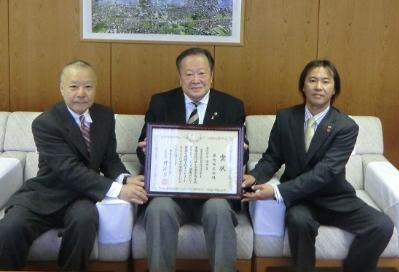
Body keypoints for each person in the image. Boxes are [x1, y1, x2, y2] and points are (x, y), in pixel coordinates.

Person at [242, 59, 394, 272]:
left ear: (334, 89)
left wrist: (277, 191)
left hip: (336, 197)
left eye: (325, 81)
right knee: (299, 222)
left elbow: (326, 172)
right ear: (303, 86)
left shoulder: (346, 126)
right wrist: (254, 176)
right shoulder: (286, 118)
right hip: (301, 200)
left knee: (382, 225)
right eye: (312, 80)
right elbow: (273, 157)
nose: (318, 87)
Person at [0, 60, 148, 271]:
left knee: (85, 220)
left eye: (88, 87)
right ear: (61, 89)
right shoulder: (46, 123)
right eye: (73, 86)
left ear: (95, 89)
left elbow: (109, 158)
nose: (81, 93)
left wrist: (124, 178)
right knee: (9, 228)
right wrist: (118, 190)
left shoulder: (104, 116)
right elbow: (69, 169)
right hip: (46, 193)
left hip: (81, 196)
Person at [137, 47, 249, 272]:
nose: (195, 80)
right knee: (158, 210)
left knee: (219, 210)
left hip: (213, 194)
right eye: (189, 74)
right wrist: (148, 150)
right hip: (171, 193)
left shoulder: (231, 105)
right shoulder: (161, 102)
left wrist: (241, 151)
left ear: (211, 76)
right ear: (180, 77)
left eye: (201, 73)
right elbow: (141, 148)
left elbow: (242, 154)